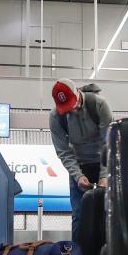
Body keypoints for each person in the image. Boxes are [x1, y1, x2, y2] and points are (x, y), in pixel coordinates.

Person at [48, 79, 113, 242]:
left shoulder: (99, 105)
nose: (73, 109)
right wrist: (78, 176)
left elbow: (109, 143)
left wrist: (105, 175)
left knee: (109, 213)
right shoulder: (56, 117)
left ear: (78, 92)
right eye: (67, 108)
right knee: (79, 215)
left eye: (73, 103)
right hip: (79, 165)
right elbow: (63, 151)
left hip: (103, 161)